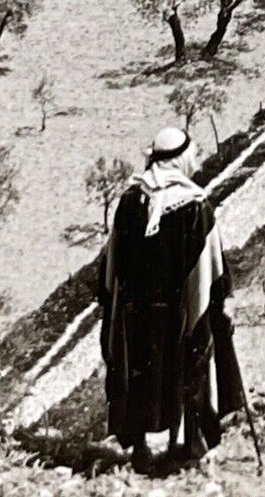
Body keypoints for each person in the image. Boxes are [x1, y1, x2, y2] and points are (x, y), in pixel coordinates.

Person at [98, 127, 243, 472]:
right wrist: (223, 298)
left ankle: (140, 449)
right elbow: (212, 260)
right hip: (180, 311)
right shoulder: (195, 205)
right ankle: (193, 444)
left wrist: (111, 300)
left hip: (136, 315)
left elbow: (112, 258)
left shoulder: (132, 200)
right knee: (191, 370)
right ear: (181, 159)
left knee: (139, 375)